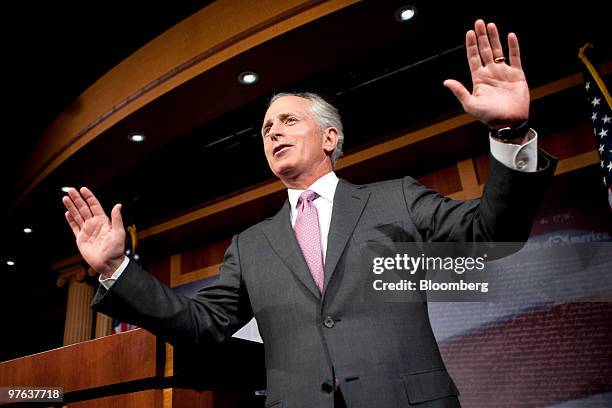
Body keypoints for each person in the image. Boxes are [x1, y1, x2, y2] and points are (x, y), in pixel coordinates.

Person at [62, 20, 556, 408]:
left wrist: (510, 134)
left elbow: (494, 234)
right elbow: (200, 324)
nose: (273, 132)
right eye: (265, 129)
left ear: (329, 138)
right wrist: (114, 269)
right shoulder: (251, 245)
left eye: (288, 121)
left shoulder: (395, 199)